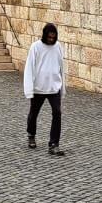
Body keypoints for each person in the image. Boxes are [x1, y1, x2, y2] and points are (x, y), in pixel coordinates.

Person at [24, 22, 67, 156]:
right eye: (49, 37)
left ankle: (54, 144)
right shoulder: (35, 47)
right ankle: (31, 134)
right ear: (45, 35)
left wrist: (63, 87)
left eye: (53, 37)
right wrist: (29, 89)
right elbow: (29, 68)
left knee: (57, 113)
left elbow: (61, 67)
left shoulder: (58, 46)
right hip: (38, 88)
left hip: (54, 87)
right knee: (34, 113)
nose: (51, 39)